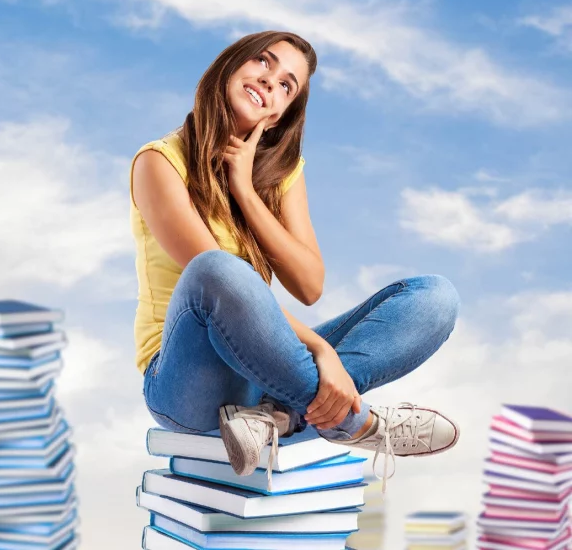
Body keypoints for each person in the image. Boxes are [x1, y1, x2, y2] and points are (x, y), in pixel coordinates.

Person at [129, 30, 460, 491]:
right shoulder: (159, 162)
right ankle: (355, 421)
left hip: (260, 375)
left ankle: (277, 416)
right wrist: (322, 352)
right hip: (183, 383)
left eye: (286, 85)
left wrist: (244, 188)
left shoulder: (281, 175)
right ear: (230, 66)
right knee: (218, 269)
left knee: (435, 297)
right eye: (263, 63)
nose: (270, 82)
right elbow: (212, 278)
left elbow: (308, 285)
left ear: (282, 114)